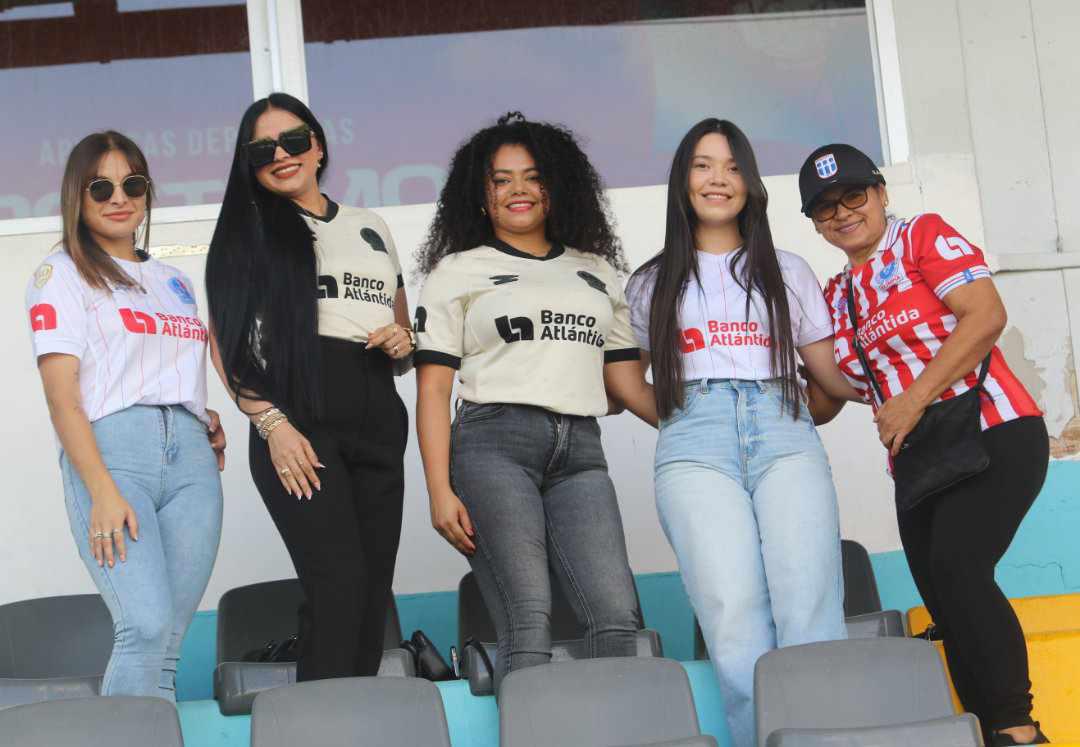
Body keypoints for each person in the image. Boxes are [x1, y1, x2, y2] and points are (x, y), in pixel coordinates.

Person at [798, 143, 1049, 746]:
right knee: (943, 597)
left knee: (960, 570)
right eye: (825, 208)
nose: (842, 213)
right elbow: (830, 396)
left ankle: (1018, 728)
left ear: (881, 193)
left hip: (995, 430)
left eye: (854, 195)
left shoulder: (921, 238)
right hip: (918, 461)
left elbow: (984, 315)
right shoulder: (834, 297)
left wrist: (912, 398)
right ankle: (987, 731)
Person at [625, 118, 852, 746]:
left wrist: (889, 395)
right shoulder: (650, 281)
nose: (717, 178)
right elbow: (621, 379)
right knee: (732, 618)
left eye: (731, 166)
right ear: (681, 180)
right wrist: (683, 418)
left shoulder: (789, 269)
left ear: (750, 182)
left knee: (810, 610)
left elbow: (828, 377)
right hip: (695, 452)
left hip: (785, 435)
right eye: (702, 165)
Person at [414, 112, 656, 693]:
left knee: (617, 616)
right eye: (501, 180)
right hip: (494, 445)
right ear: (480, 195)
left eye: (532, 176)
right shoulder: (457, 272)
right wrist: (439, 489)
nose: (517, 190)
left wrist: (701, 416)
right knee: (528, 619)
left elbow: (626, 384)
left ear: (558, 186)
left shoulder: (596, 272)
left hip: (581, 451)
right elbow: (433, 388)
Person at [205, 93, 413, 682]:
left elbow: (400, 324)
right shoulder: (247, 234)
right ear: (249, 163)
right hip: (297, 420)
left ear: (318, 145)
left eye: (294, 140)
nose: (281, 155)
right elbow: (226, 346)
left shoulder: (372, 228)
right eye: (263, 148)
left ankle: (343, 722)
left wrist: (403, 340)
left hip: (376, 414)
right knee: (338, 584)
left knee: (371, 595)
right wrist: (273, 426)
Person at [26, 131, 226, 701]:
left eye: (133, 184)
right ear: (77, 196)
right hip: (115, 455)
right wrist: (100, 488)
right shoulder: (60, 273)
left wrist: (199, 414)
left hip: (190, 462)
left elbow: (168, 367)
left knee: (167, 642)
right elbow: (63, 397)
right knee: (142, 627)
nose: (120, 197)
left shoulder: (176, 282)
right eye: (102, 186)